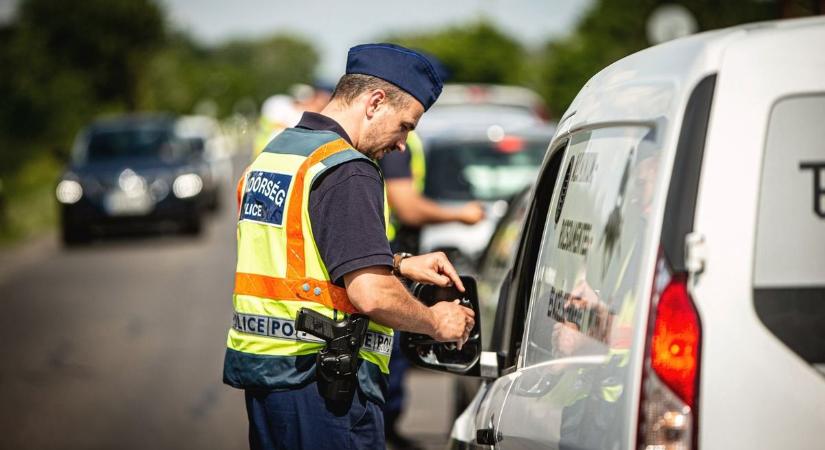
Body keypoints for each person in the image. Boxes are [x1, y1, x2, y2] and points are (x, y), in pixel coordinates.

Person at [223, 43, 476, 450]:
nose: (400, 146)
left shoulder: (280, 152)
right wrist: (436, 321)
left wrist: (397, 264)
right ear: (375, 102)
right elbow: (371, 295)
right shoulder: (348, 170)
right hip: (324, 386)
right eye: (406, 126)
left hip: (270, 379)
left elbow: (303, 254)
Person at [379, 132, 484, 450]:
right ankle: (383, 431)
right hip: (392, 258)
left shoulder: (403, 138)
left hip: (394, 257)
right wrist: (460, 214)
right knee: (390, 351)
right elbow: (408, 207)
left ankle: (385, 429)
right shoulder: (398, 141)